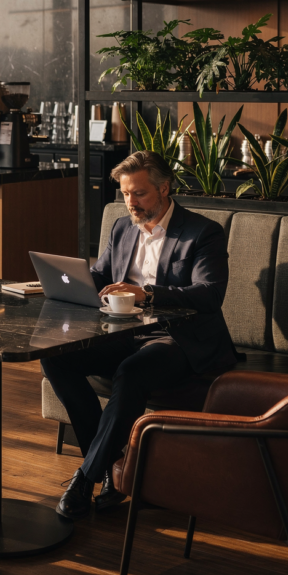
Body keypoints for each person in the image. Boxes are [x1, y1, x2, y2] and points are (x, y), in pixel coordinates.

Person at [41, 150, 238, 520]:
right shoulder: (120, 227)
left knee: (131, 373)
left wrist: (147, 294)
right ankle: (110, 467)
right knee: (56, 357)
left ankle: (85, 480)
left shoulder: (203, 232)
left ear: (165, 189)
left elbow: (210, 294)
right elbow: (101, 277)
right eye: (126, 193)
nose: (130, 202)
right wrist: (63, 281)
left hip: (178, 338)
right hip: (124, 333)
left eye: (139, 194)